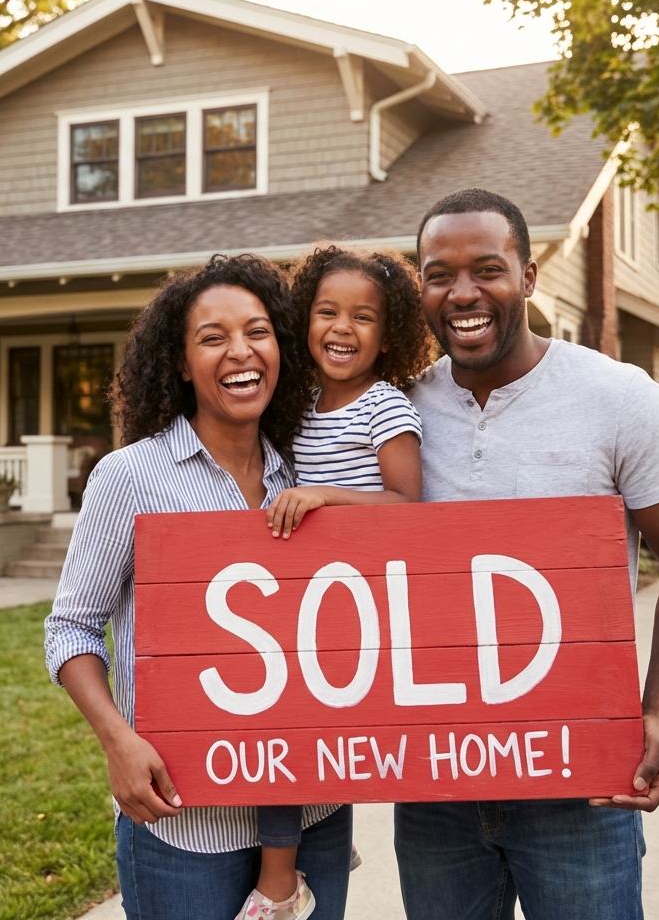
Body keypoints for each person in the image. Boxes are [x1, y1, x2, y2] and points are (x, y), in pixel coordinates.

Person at [397, 188, 659, 920]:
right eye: (439, 274)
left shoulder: (618, 395)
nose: (463, 293)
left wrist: (658, 713)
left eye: (487, 268)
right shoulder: (396, 408)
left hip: (580, 784)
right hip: (435, 785)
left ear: (530, 277)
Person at [44, 254, 353, 920]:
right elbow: (70, 628)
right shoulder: (130, 477)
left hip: (315, 814)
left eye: (258, 331)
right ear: (181, 363)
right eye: (213, 338)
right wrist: (117, 741)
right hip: (185, 822)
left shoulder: (306, 474)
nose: (240, 352)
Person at [235, 245, 432, 920]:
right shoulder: (298, 405)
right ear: (303, 319)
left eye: (364, 317)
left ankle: (281, 883)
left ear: (391, 333)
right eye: (326, 312)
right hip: (298, 596)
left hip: (360, 601)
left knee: (294, 725)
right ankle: (316, 843)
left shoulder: (384, 405)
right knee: (289, 729)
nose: (342, 328)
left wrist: (324, 497)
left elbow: (409, 507)